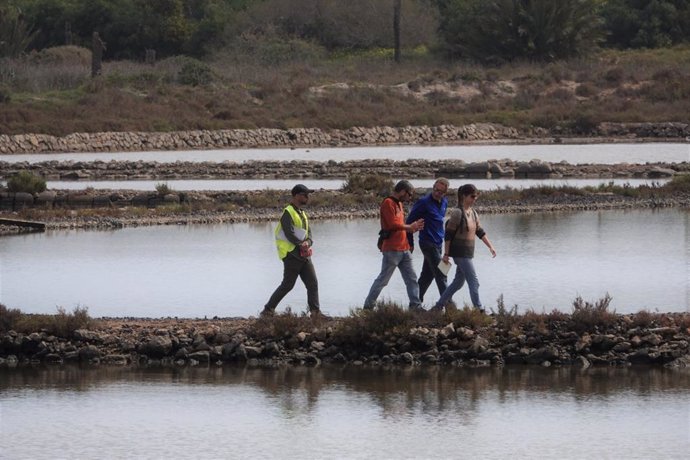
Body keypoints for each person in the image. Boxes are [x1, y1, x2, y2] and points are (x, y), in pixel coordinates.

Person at [433, 184, 496, 313]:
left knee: (458, 282)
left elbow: (480, 232)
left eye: (476, 196)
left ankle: (438, 306)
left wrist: (490, 247)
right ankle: (478, 309)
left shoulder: (473, 213)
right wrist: (446, 254)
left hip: (468, 253)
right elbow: (448, 235)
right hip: (460, 254)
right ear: (464, 196)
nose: (474, 199)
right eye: (472, 196)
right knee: (474, 281)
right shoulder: (457, 213)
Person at [261, 184, 322, 318]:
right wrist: (301, 245)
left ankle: (315, 313)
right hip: (291, 255)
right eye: (305, 194)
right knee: (288, 285)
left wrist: (308, 243)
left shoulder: (303, 213)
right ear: (296, 196)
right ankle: (267, 310)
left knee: (313, 284)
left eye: (308, 195)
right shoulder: (288, 212)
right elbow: (289, 233)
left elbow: (309, 234)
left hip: (304, 256)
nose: (307, 197)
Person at [364, 180, 425, 310]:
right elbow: (392, 224)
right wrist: (409, 227)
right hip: (392, 249)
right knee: (383, 280)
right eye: (409, 195)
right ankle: (368, 307)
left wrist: (412, 228)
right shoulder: (388, 203)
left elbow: (401, 226)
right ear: (403, 191)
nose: (409, 198)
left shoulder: (399, 204)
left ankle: (416, 306)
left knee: (412, 279)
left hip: (404, 248)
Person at [406, 177, 450, 304]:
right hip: (427, 243)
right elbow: (409, 222)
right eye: (435, 190)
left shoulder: (444, 203)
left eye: (441, 192)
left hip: (438, 243)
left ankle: (415, 305)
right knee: (442, 274)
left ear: (445, 193)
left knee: (427, 276)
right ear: (433, 187)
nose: (437, 193)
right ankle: (449, 307)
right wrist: (410, 242)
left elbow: (439, 222)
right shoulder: (423, 202)